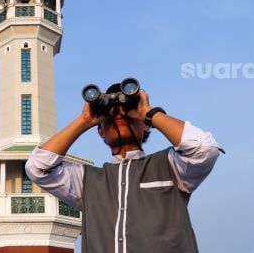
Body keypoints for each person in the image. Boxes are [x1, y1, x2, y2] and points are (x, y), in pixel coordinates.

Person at [25, 83, 223, 253]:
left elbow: (204, 149)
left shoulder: (171, 166)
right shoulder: (87, 182)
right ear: (100, 131)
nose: (119, 117)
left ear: (146, 125)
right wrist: (84, 121)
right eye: (110, 118)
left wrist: (149, 113)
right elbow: (37, 167)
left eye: (128, 114)